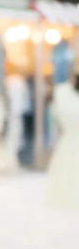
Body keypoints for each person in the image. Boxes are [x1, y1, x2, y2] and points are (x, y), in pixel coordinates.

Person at [46, 72, 79, 210]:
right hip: (68, 143)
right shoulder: (62, 92)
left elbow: (55, 117)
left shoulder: (61, 93)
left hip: (67, 143)